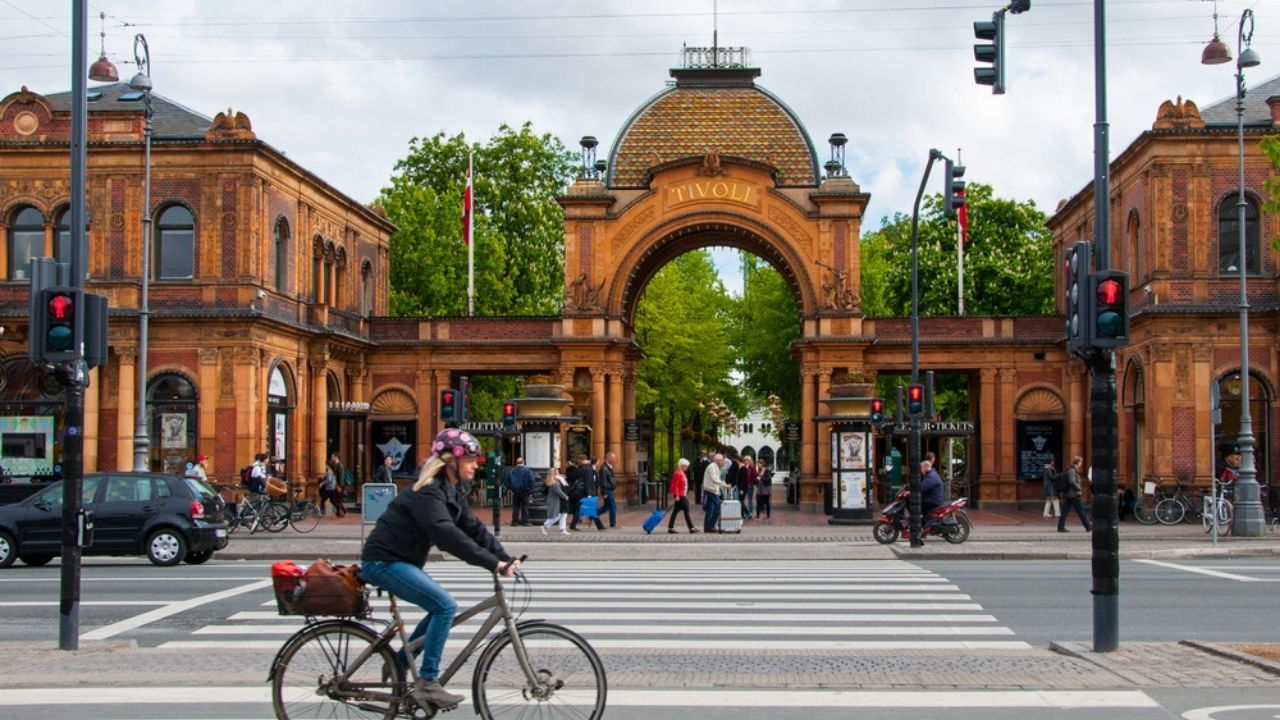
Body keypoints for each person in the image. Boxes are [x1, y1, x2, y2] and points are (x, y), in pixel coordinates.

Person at [361, 428, 518, 711]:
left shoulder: (449, 491)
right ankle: (428, 683)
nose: (475, 465)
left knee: (439, 607)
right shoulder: (428, 492)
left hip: (401, 560)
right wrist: (491, 564)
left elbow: (472, 527)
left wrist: (504, 557)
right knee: (445, 605)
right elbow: (447, 535)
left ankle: (397, 663)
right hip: (383, 561)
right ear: (451, 461)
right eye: (470, 459)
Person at [569, 455, 605, 531]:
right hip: (585, 493)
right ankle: (599, 526)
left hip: (587, 492)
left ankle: (573, 525)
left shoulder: (591, 469)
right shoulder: (589, 470)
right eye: (598, 461)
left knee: (584, 509)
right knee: (588, 509)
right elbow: (588, 482)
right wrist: (589, 494)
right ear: (596, 462)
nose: (599, 463)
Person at [1058, 455, 1092, 533]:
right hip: (1073, 494)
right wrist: (1078, 487)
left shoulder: (1072, 470)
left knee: (1065, 511)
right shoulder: (1072, 470)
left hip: (1069, 495)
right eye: (1080, 462)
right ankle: (1088, 526)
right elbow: (1071, 481)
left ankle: (1060, 526)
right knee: (1081, 511)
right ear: (1078, 462)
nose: (1081, 464)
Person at [666, 458, 699, 533]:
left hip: (681, 495)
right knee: (686, 511)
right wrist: (677, 495)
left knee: (675, 512)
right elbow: (675, 485)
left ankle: (670, 527)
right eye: (686, 466)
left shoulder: (680, 473)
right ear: (682, 466)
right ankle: (691, 528)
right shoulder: (678, 473)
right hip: (680, 495)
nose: (687, 467)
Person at [541, 469, 571, 535]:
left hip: (559, 501)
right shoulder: (556, 482)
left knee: (563, 515)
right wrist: (565, 496)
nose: (558, 473)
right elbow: (559, 491)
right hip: (557, 501)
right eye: (557, 472)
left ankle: (563, 529)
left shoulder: (556, 480)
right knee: (556, 517)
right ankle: (544, 526)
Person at [506, 457, 535, 526]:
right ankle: (525, 521)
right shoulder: (527, 471)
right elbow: (531, 480)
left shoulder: (512, 471)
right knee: (525, 506)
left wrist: (511, 488)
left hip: (516, 492)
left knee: (516, 507)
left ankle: (515, 521)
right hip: (525, 491)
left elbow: (508, 481)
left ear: (516, 463)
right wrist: (530, 489)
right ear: (523, 462)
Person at [702, 453, 725, 533]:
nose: (723, 462)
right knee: (718, 507)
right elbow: (714, 478)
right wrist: (724, 484)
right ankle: (710, 526)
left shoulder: (715, 467)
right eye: (722, 460)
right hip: (711, 490)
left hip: (712, 490)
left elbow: (715, 479)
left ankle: (708, 527)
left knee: (710, 509)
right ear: (718, 460)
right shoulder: (712, 467)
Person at [598, 451, 618, 528]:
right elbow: (602, 481)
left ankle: (592, 515)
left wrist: (614, 488)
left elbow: (611, 479)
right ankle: (613, 524)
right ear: (609, 458)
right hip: (607, 490)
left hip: (610, 489)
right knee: (613, 506)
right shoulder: (604, 468)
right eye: (614, 458)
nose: (615, 460)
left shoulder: (609, 467)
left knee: (606, 507)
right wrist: (604, 492)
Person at [328, 453, 348, 517]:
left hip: (339, 486)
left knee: (337, 500)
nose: (331, 458)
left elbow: (341, 477)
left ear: (336, 457)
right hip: (335, 486)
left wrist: (339, 486)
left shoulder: (340, 465)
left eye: (332, 457)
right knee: (335, 500)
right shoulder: (335, 465)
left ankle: (342, 512)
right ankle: (341, 512)